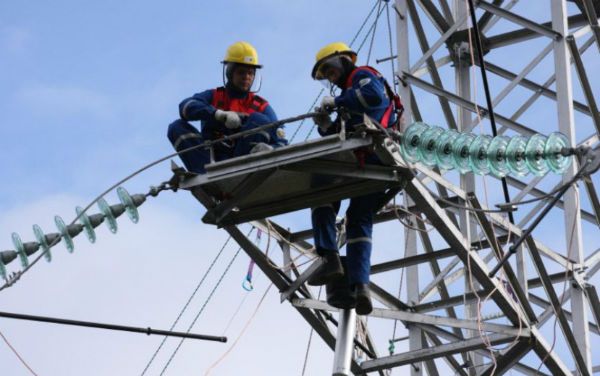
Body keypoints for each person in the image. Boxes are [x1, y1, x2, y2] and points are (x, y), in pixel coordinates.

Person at [308, 42, 402, 315]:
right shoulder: (352, 93)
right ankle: (361, 286)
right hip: (376, 159)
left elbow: (372, 95)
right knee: (359, 219)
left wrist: (336, 101)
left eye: (329, 68)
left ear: (344, 60)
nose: (328, 75)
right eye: (324, 73)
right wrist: (327, 126)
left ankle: (329, 257)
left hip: (366, 153)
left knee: (321, 194)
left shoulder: (361, 75)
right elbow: (345, 127)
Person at [167, 41, 287, 174]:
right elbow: (186, 107)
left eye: (250, 73)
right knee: (176, 127)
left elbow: (281, 141)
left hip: (243, 163)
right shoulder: (214, 96)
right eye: (241, 72)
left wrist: (270, 149)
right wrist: (218, 114)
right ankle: (205, 176)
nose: (247, 77)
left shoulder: (261, 106)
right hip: (210, 160)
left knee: (259, 120)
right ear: (230, 73)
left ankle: (242, 169)